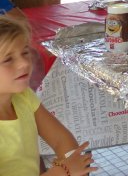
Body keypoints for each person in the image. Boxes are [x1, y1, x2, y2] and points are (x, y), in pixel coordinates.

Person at [0, 14, 97, 176]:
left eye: (25, 52)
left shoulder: (24, 96)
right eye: (8, 59)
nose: (24, 63)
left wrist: (72, 162)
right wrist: (64, 171)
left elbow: (60, 140)